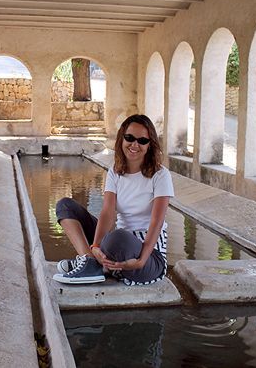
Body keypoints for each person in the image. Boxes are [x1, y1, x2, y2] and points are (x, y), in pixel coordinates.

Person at [53, 114, 174, 285]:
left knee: (116, 238)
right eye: (129, 138)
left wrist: (141, 261)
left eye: (142, 141)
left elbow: (157, 222)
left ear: (150, 145)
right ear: (121, 138)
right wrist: (96, 246)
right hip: (117, 245)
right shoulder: (115, 172)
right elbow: (107, 212)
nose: (134, 145)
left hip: (148, 255)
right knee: (65, 206)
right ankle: (90, 261)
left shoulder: (160, 175)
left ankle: (101, 265)